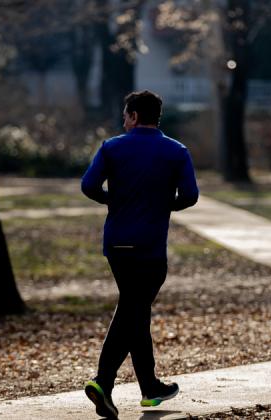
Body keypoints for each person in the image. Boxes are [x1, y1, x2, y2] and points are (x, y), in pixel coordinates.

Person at [81, 90, 199, 418]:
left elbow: (89, 186)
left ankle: (150, 389)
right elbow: (190, 195)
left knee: (134, 311)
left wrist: (114, 201)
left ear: (133, 116)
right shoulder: (176, 151)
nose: (123, 120)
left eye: (125, 115)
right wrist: (163, 205)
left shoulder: (112, 147)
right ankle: (103, 381)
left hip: (117, 246)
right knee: (133, 311)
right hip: (150, 247)